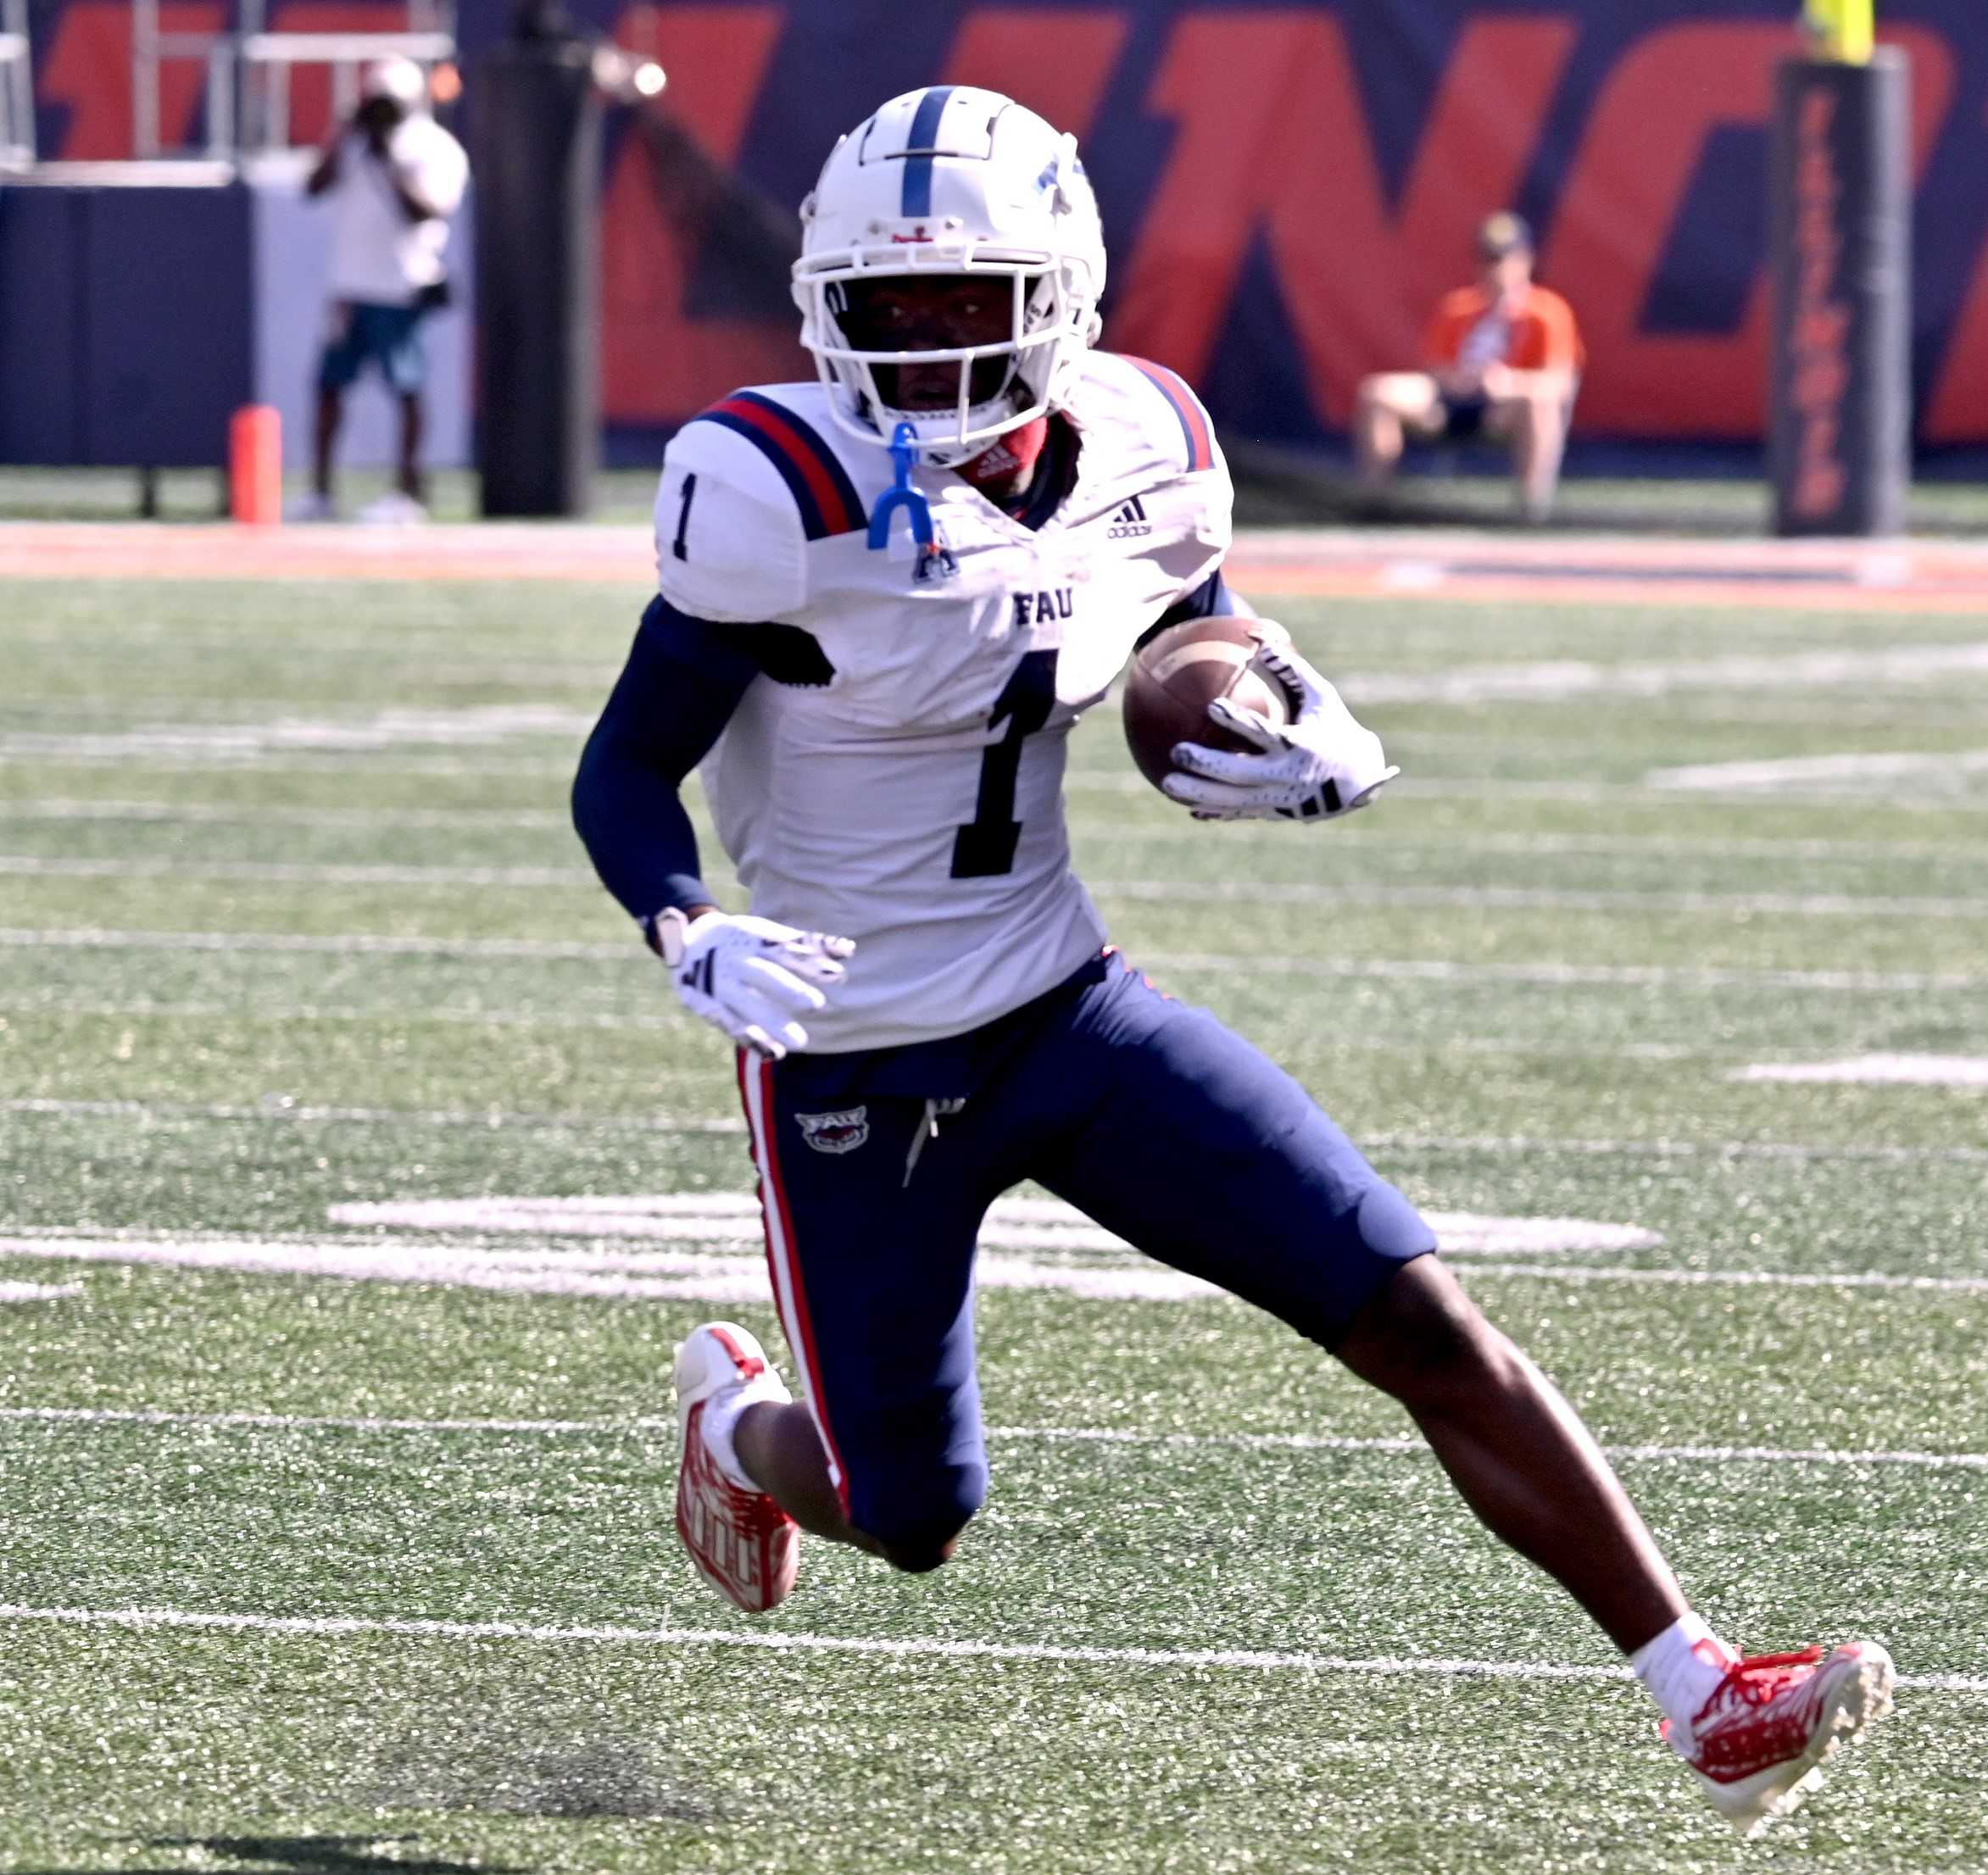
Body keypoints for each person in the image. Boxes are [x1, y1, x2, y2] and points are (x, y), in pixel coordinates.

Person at [571, 88, 1891, 1838]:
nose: (924, 343)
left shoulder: (1139, 439)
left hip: (1066, 1010)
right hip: (852, 1063)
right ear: (821, 301)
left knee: (1411, 1308)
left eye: (967, 301)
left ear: (1057, 294)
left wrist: (1279, 696)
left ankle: (1698, 1690)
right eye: (887, 308)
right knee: (913, 1515)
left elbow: (1189, 622)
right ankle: (742, 1431)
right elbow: (618, 765)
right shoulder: (768, 486)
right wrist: (685, 917)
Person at [295, 57, 469, 524]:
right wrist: (344, 136)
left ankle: (408, 493)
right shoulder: (352, 143)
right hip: (350, 286)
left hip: (401, 284)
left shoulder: (433, 147)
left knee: (406, 387)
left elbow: (428, 212)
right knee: (328, 388)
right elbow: (312, 187)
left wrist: (389, 161)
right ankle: (321, 493)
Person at [1353, 212, 1583, 522]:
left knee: (1539, 401)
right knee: (1378, 391)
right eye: (1488, 259)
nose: (1496, 270)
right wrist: (1458, 380)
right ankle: (1376, 501)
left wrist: (1508, 383)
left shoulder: (1547, 311)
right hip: (1450, 402)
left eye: (1503, 259)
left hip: (1502, 408)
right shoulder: (1458, 307)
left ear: (1525, 260)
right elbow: (1434, 368)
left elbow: (1561, 382)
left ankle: (1531, 508)